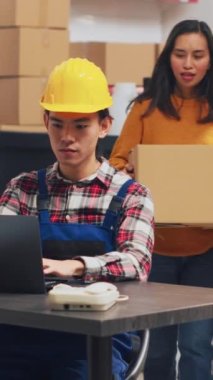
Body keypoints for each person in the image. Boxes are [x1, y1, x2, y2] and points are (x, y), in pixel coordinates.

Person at [0, 58, 154, 380]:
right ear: (45, 121)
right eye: (57, 124)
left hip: (95, 343)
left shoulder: (131, 195)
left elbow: (137, 263)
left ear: (104, 126)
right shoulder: (22, 188)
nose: (67, 137)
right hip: (21, 336)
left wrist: (76, 265)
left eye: (80, 125)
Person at [109, 19, 213, 380]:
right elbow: (117, 165)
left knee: (198, 348)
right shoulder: (146, 109)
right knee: (156, 351)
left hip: (206, 250)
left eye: (198, 55)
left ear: (210, 59)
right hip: (154, 249)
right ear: (168, 58)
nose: (188, 64)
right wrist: (134, 171)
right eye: (180, 54)